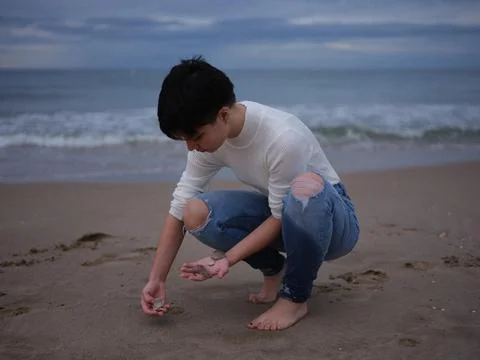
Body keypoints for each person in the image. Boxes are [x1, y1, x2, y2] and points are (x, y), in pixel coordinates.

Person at [141, 56, 360, 331]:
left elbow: (283, 213)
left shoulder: (282, 138)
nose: (190, 147)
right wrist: (157, 279)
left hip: (332, 224)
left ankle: (294, 298)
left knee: (305, 186)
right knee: (194, 212)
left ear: (222, 114)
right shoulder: (210, 140)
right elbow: (179, 205)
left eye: (194, 137)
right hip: (282, 214)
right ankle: (275, 271)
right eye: (184, 140)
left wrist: (226, 259)